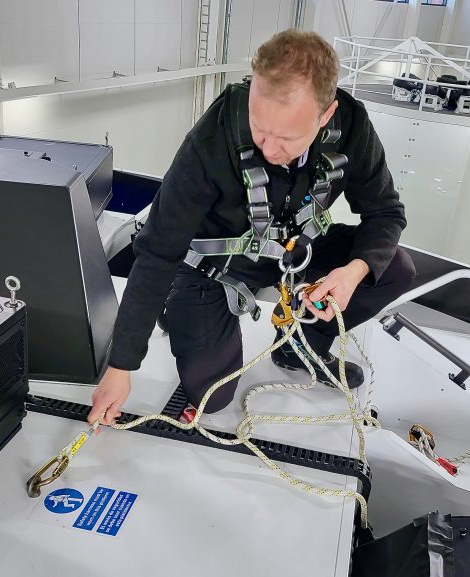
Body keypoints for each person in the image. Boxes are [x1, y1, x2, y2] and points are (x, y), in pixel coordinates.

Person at [89, 30, 415, 426]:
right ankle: (177, 311)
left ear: (326, 115)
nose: (269, 148)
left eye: (287, 138)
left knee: (393, 268)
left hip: (294, 250)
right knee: (213, 396)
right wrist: (121, 366)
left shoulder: (351, 127)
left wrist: (352, 272)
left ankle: (301, 346)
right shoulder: (213, 138)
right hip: (215, 267)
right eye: (259, 128)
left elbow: (385, 213)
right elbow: (158, 250)